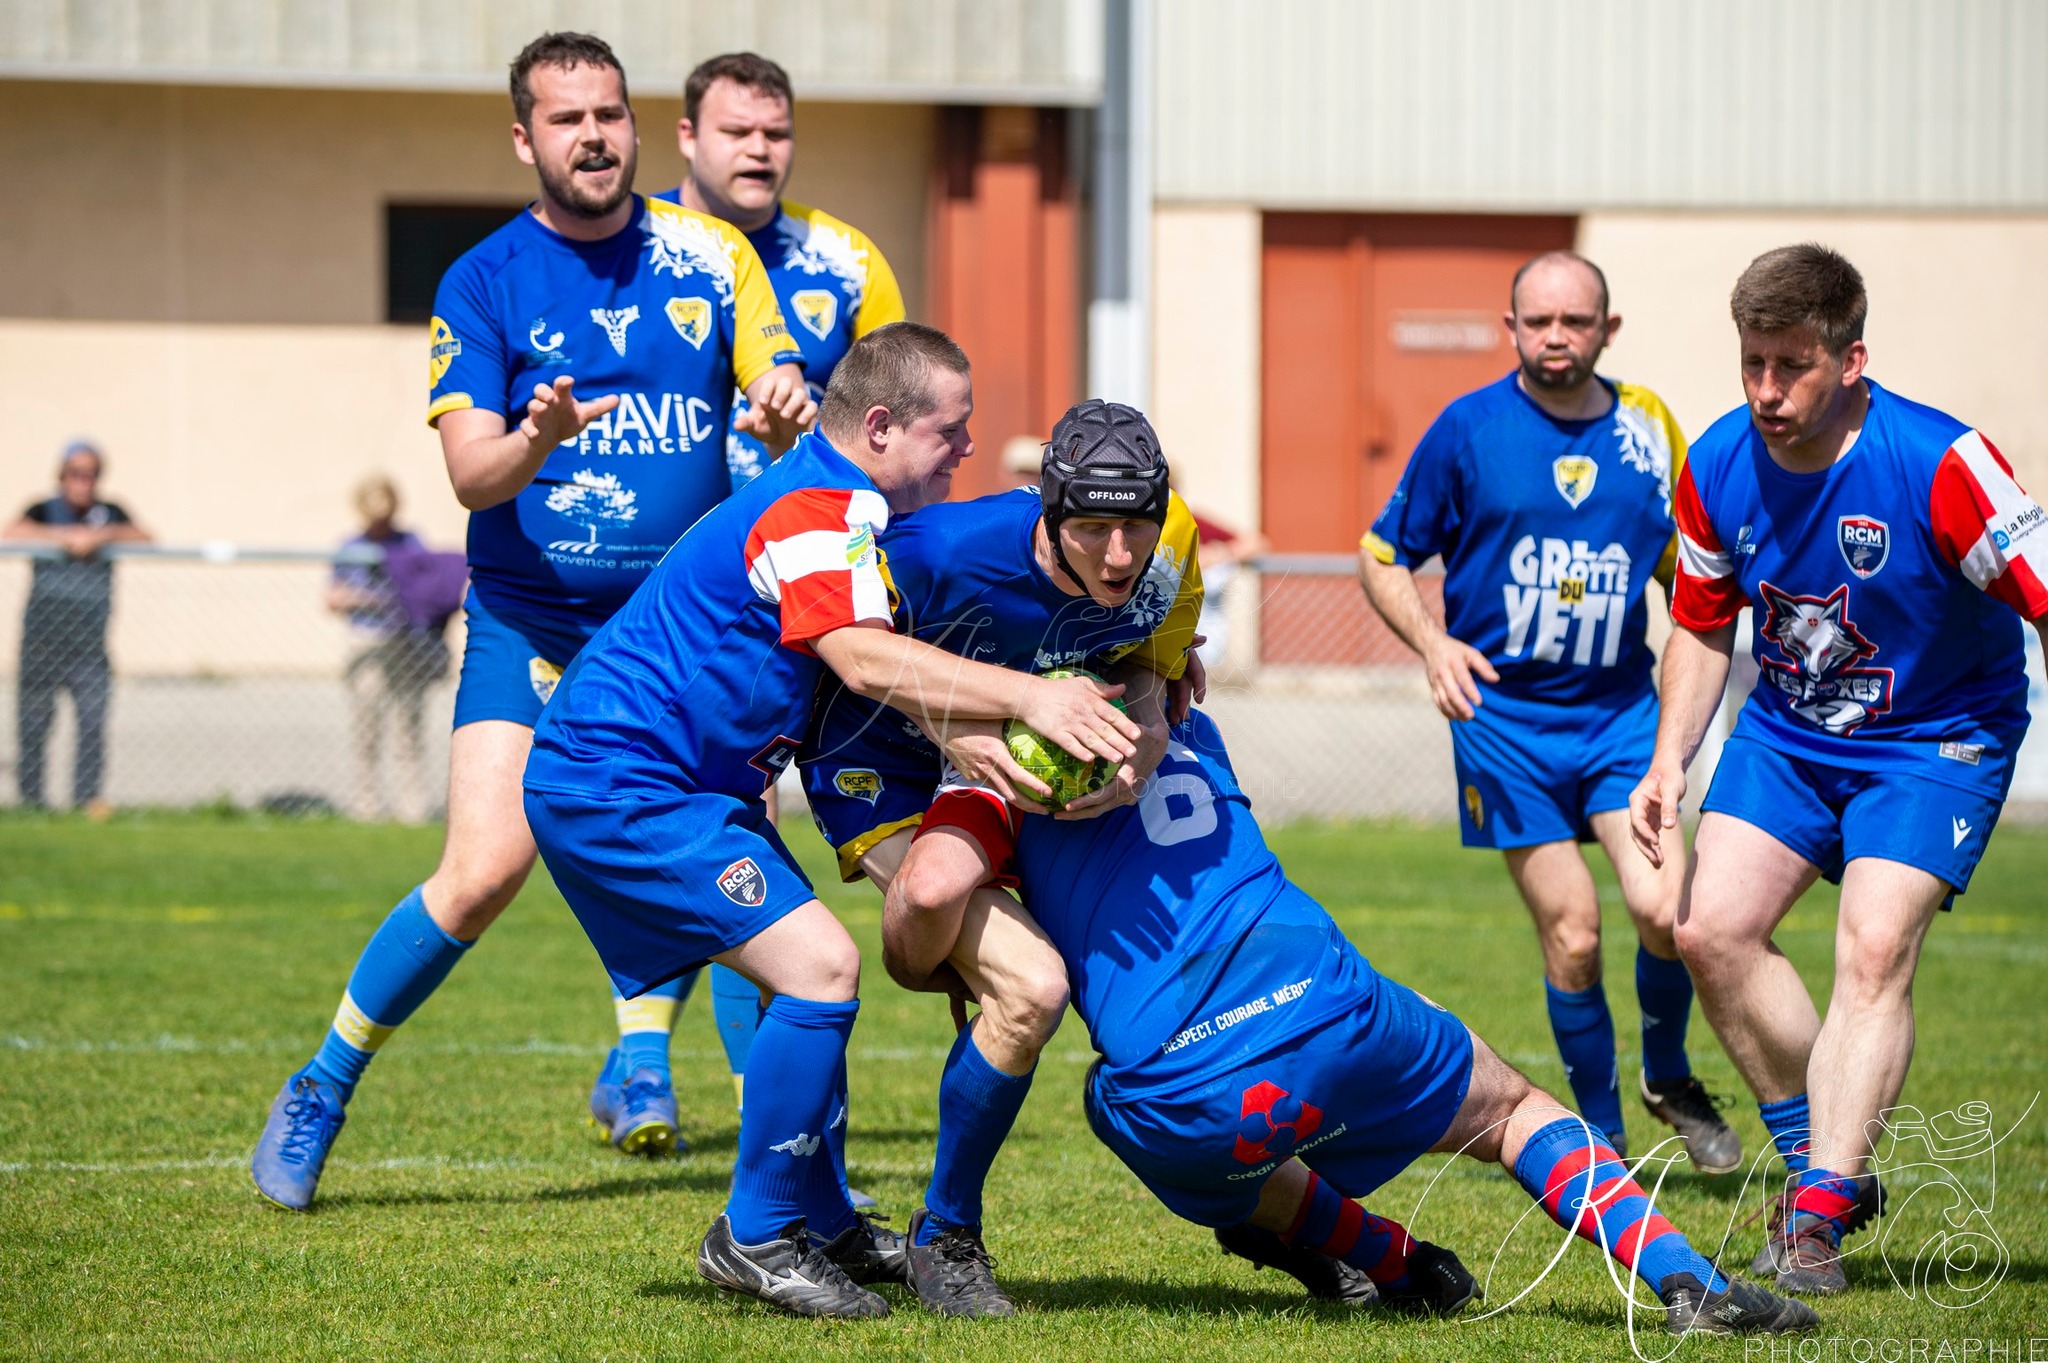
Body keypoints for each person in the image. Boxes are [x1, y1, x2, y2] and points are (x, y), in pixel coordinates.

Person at [250, 30, 816, 1211]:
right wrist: (537, 437)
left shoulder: (709, 257)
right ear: (524, 138)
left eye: (607, 113)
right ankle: (322, 1082)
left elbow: (779, 394)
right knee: (481, 872)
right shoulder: (484, 280)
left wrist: (778, 400)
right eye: (565, 119)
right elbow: (470, 478)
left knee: (757, 890)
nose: (593, 135)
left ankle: (796, 1183)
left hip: (676, 644)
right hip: (534, 625)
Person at [522, 322, 1141, 1320]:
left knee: (794, 978)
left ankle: (823, 1219)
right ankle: (756, 1236)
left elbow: (862, 659)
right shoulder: (820, 505)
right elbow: (857, 656)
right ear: (885, 426)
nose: (968, 449)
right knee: (820, 968)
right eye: (953, 429)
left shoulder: (829, 497)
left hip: (682, 785)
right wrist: (1026, 702)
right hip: (621, 783)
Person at [886, 709, 1820, 1339]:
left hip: (1183, 1088)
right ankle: (1687, 1278)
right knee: (1515, 1108)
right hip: (1329, 1010)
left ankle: (1395, 1260)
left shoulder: (998, 767)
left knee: (1155, 1118)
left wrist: (932, 944)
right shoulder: (1186, 719)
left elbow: (933, 888)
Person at [1630, 244, 2048, 1295]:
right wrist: (1668, 760)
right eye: (1749, 364)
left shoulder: (1941, 463)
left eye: (1789, 367)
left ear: (1849, 359)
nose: (1765, 392)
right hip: (1787, 732)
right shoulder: (1716, 463)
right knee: (1704, 929)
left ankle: (1813, 1205)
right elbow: (1697, 626)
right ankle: (1830, 1163)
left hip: (1935, 738)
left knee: (1870, 944)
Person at [798, 399, 1202, 1315]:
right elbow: (845, 652)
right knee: (933, 924)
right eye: (1092, 526)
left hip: (1017, 765)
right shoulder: (935, 549)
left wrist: (1138, 742)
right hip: (883, 764)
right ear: (1047, 508)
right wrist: (963, 723)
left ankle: (947, 1234)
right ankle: (806, 1202)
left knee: (1032, 990)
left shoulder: (1169, 563)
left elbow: (1147, 668)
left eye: (1135, 523)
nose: (1117, 552)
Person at [1358, 251, 1740, 1170]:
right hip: (1506, 726)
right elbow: (1380, 555)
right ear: (1511, 328)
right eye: (1538, 322)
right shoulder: (1468, 429)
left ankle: (1667, 1073)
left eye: (1575, 322)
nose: (1556, 337)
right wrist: (1435, 644)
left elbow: (1686, 573)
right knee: (1574, 931)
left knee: (1665, 914)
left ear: (1608, 329)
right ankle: (1604, 1138)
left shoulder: (1650, 429)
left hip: (1617, 717)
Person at [625, 49, 911, 1131]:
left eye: (774, 132)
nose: (759, 149)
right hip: (678, 594)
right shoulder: (639, 255)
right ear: (686, 138)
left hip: (806, 597)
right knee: (683, 813)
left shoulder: (842, 263)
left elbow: (898, 406)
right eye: (736, 131)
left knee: (744, 825)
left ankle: (752, 1107)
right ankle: (647, 1057)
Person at [7, 440, 152, 817]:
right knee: (34, 724)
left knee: (92, 723)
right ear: (62, 476)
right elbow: (12, 532)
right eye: (76, 473)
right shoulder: (43, 510)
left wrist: (100, 538)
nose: (83, 482)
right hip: (42, 642)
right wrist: (63, 538)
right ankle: (32, 802)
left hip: (89, 646)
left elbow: (145, 535)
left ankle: (86, 801)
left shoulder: (109, 513)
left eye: (91, 474)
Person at [329, 476, 453, 824]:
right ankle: (366, 805)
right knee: (367, 726)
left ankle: (412, 807)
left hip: (406, 643)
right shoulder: (351, 546)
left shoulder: (410, 543)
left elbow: (429, 588)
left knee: (408, 725)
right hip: (367, 643)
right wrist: (373, 599)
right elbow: (333, 597)